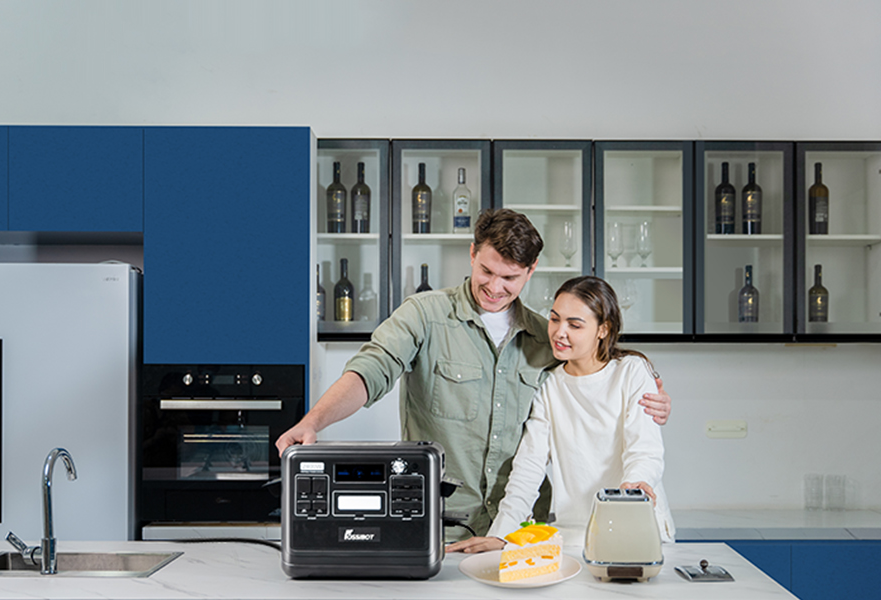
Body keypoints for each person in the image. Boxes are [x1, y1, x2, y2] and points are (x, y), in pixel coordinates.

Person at [276, 209, 672, 539]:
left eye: (510, 278)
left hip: (521, 530)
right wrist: (313, 421)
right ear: (472, 253)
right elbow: (371, 370)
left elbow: (593, 382)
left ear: (531, 271)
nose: (495, 287)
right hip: (441, 523)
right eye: (487, 271)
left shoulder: (544, 339)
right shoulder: (425, 315)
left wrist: (653, 399)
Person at [447, 276, 676, 553]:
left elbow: (645, 449)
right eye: (555, 319)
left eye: (574, 325)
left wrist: (635, 486)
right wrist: (502, 534)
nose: (559, 332)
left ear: (603, 329)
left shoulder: (632, 372)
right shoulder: (549, 385)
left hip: (637, 528)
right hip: (578, 535)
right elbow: (528, 467)